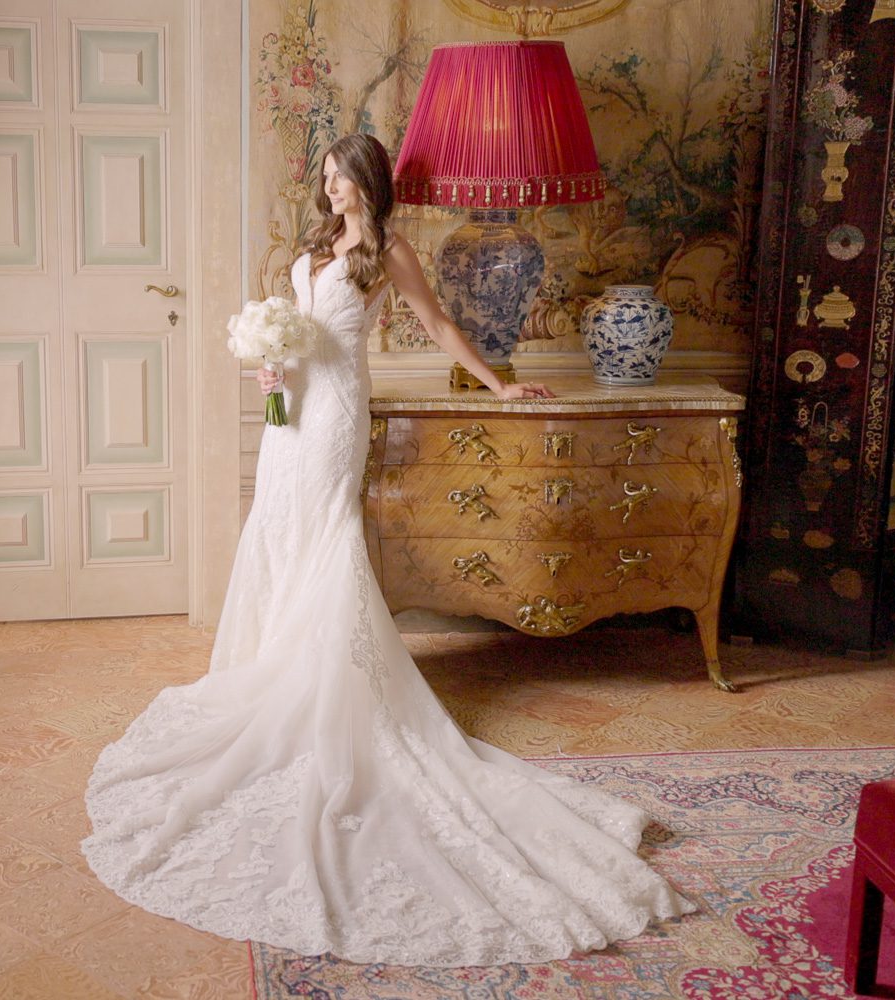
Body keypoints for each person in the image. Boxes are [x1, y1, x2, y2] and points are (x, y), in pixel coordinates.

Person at [81, 133, 692, 967]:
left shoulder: (389, 252)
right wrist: (270, 365)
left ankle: (321, 687)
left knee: (327, 538)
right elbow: (295, 327)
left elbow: (436, 323)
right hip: (290, 412)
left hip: (336, 413)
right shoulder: (313, 246)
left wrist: (499, 383)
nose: (330, 188)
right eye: (326, 177)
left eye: (341, 177)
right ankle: (275, 668)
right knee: (279, 531)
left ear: (368, 182)